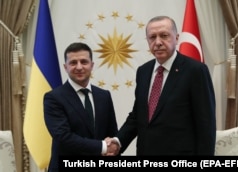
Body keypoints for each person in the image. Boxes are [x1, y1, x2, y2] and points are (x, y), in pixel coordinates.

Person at [108, 16, 216, 155]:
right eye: (152, 37)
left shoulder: (195, 70)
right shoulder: (143, 71)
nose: (158, 42)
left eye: (164, 36)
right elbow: (138, 115)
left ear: (176, 38)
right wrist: (118, 141)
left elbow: (206, 124)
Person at [43, 42, 120, 171]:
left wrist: (114, 148)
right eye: (73, 63)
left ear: (92, 65)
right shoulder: (53, 98)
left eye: (84, 62)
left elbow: (112, 132)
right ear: (65, 67)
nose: (79, 67)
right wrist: (103, 147)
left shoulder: (104, 96)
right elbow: (63, 137)